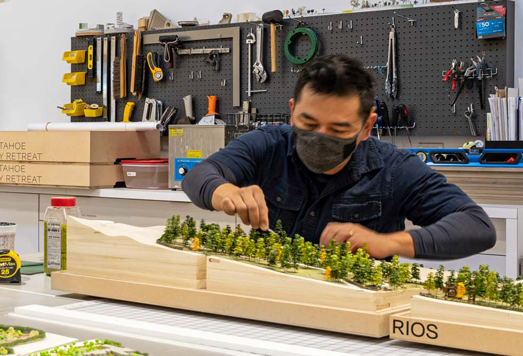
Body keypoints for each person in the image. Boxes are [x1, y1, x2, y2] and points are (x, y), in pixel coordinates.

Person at [182, 54, 496, 260]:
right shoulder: (268, 145)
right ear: (292, 112)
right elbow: (199, 175)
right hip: (271, 300)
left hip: (358, 316)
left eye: (338, 128)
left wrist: (389, 243)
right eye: (308, 123)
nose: (320, 135)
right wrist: (227, 192)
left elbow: (478, 227)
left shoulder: (394, 170)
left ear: (366, 126)